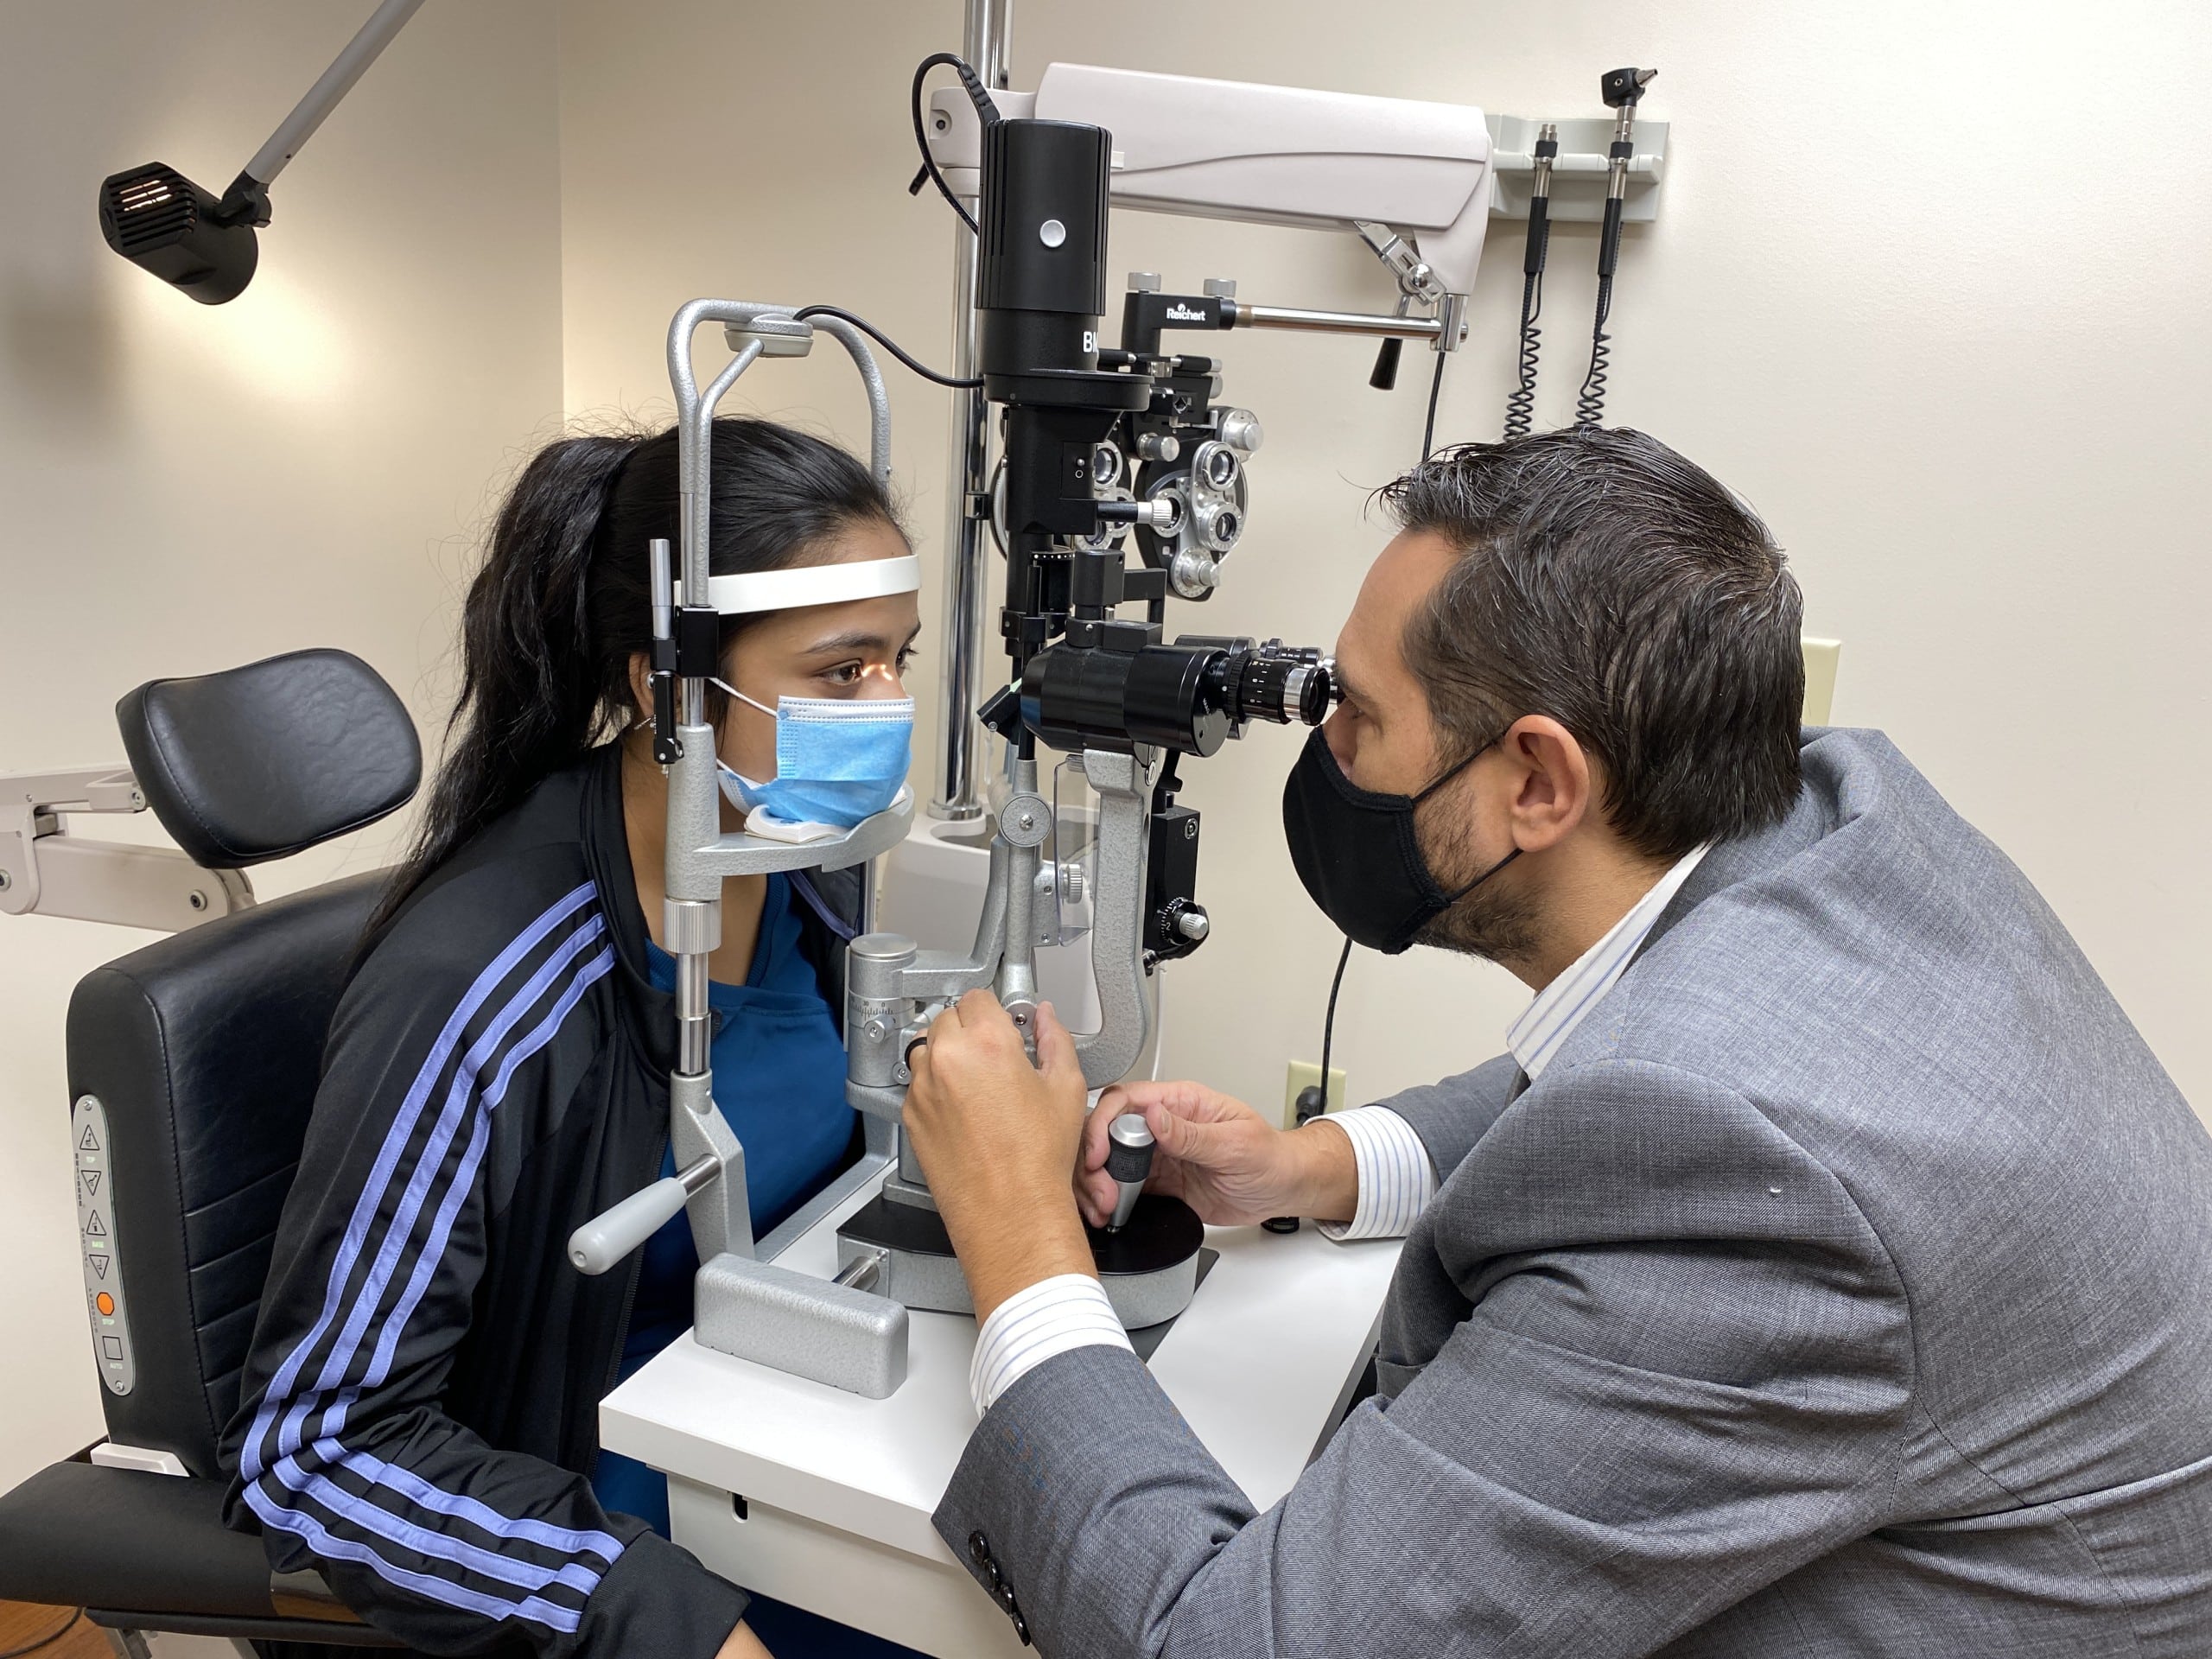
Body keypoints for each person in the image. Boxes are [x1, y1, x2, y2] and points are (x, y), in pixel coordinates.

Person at [901, 427, 2212, 1656]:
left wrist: (1019, 1235)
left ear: (1539, 782)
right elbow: (1642, 1083)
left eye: (1356, 713)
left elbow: (1227, 1644)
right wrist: (1315, 1166)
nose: (1330, 747)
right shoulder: (1830, 815)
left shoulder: (1759, 1187)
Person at [222, 417, 926, 1659]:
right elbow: (314, 1448)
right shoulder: (483, 981)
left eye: (899, 662)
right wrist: (656, 1622)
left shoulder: (803, 866)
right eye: (841, 670)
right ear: (669, 687)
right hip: (615, 1563)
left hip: (807, 1458)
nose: (890, 709)